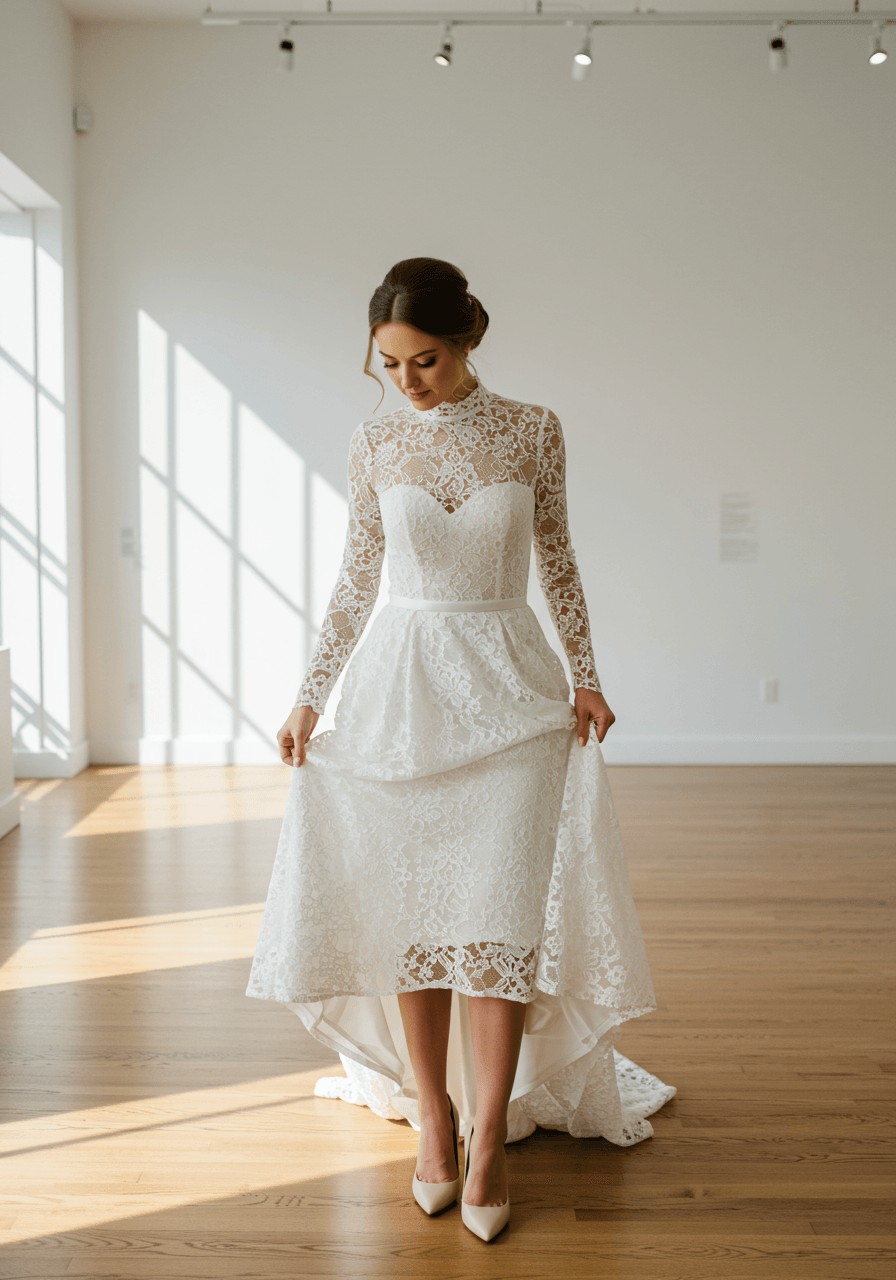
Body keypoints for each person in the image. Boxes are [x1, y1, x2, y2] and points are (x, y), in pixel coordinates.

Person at [247, 257, 674, 1242]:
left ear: (466, 337)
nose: (405, 380)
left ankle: (486, 1135)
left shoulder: (532, 428)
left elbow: (556, 555)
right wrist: (309, 697)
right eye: (387, 363)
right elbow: (357, 578)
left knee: (495, 923)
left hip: (511, 690)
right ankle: (430, 1116)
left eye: (422, 359)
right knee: (410, 916)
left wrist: (586, 673)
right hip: (399, 691)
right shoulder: (373, 440)